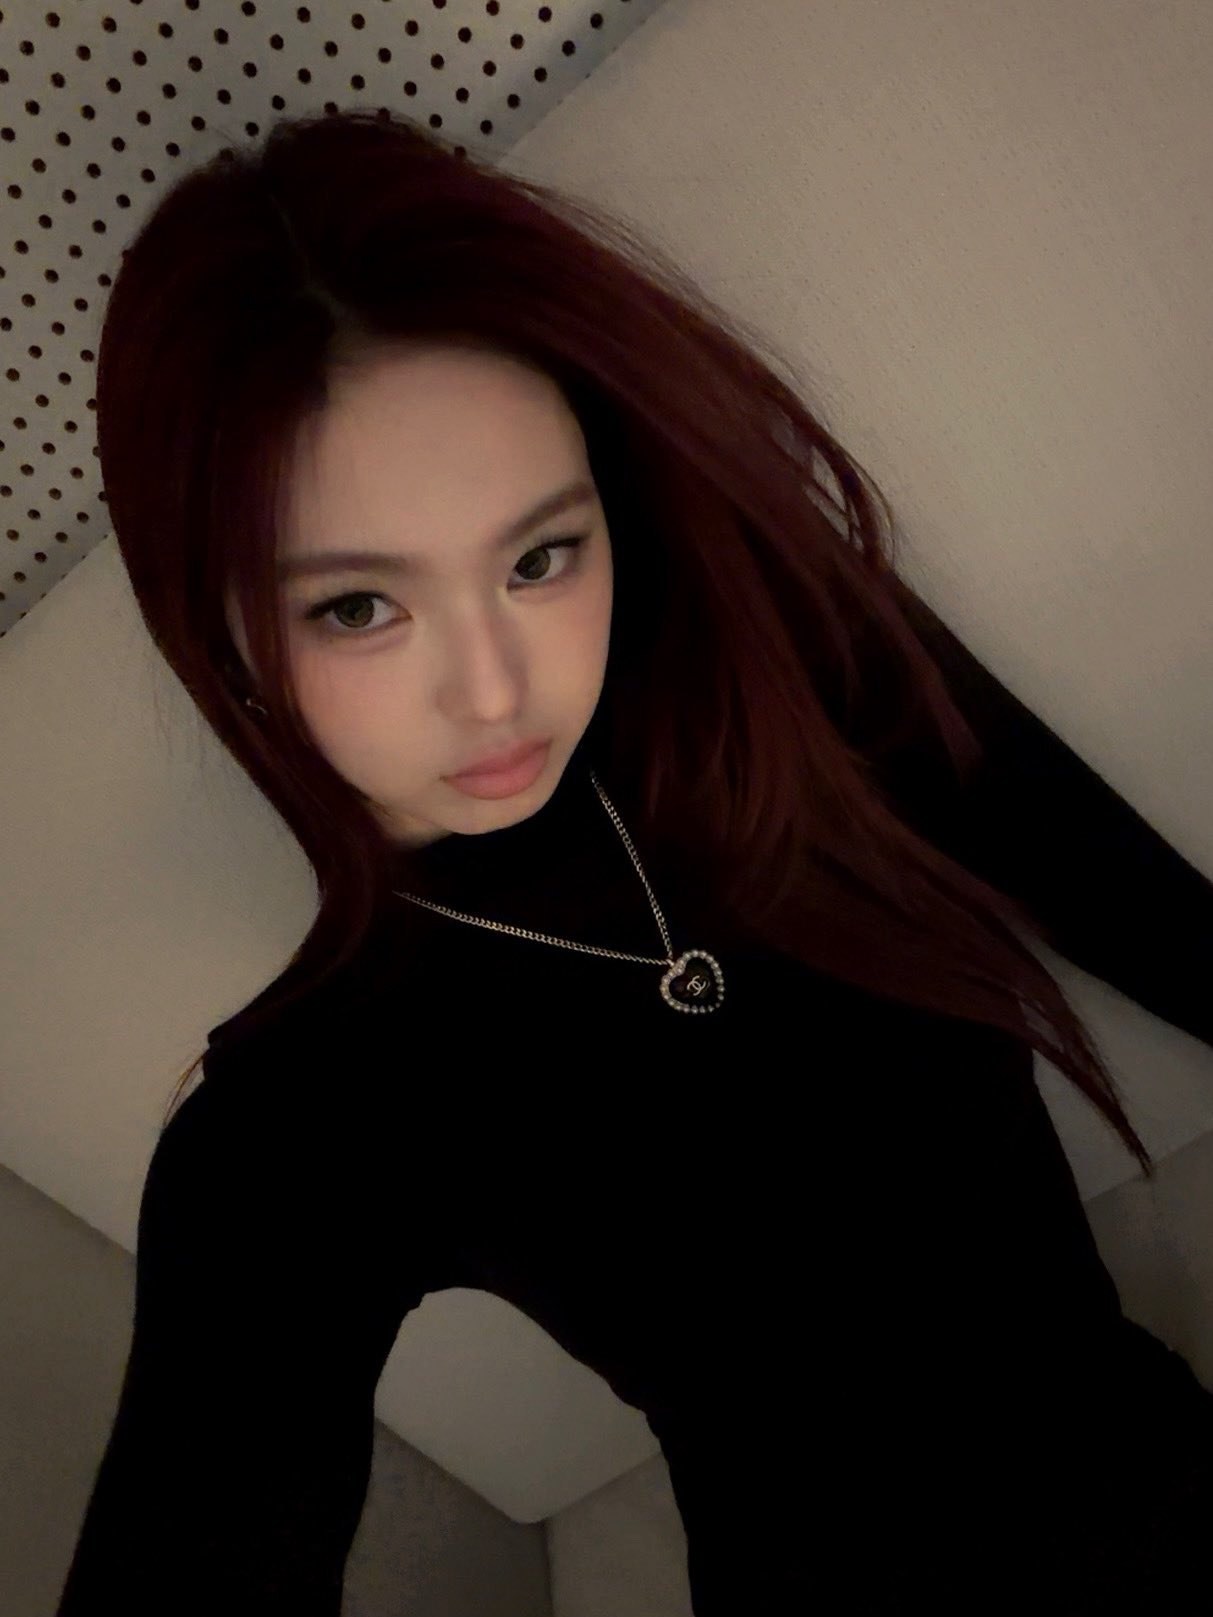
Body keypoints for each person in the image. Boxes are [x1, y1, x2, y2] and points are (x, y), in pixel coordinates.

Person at [56, 108, 1213, 1614]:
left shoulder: (783, 683)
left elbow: (1150, 918)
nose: (493, 690)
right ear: (217, 628)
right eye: (356, 607)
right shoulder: (295, 1126)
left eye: (541, 557)